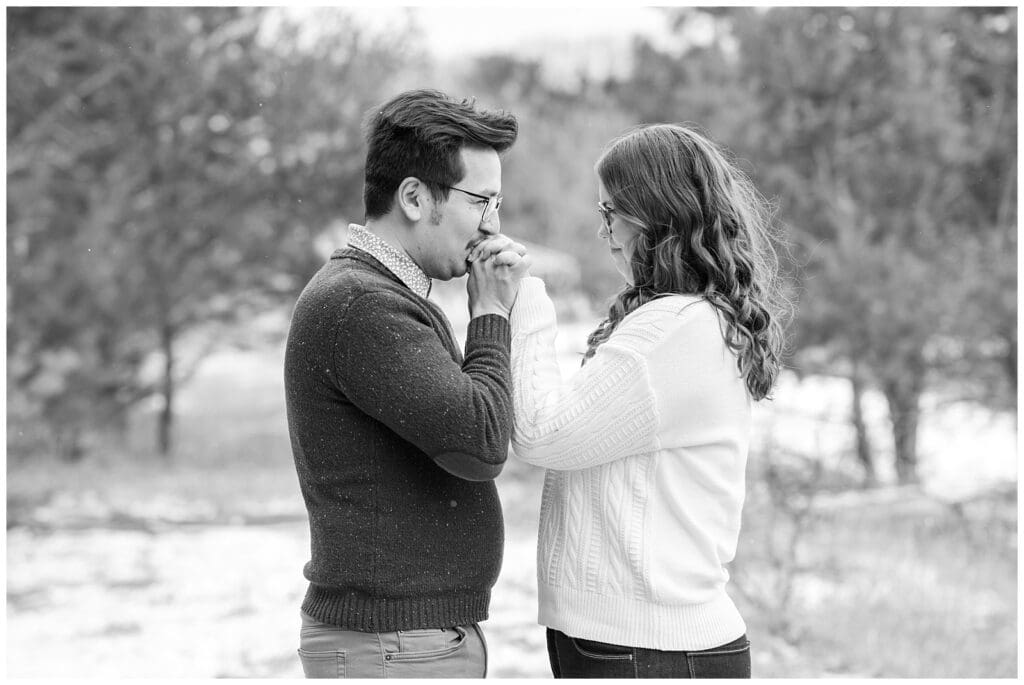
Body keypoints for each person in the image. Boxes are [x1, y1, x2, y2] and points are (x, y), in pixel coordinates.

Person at [497, 123, 787, 678]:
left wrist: (523, 300)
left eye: (612, 214)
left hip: (646, 649)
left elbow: (539, 431)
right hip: (650, 646)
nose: (604, 233)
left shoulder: (674, 329)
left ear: (656, 216)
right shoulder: (690, 320)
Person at [284, 89, 530, 679]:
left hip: (401, 641)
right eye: (481, 201)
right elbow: (479, 443)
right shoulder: (362, 304)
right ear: (416, 197)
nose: (492, 225)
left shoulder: (375, 297)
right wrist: (491, 313)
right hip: (393, 645)